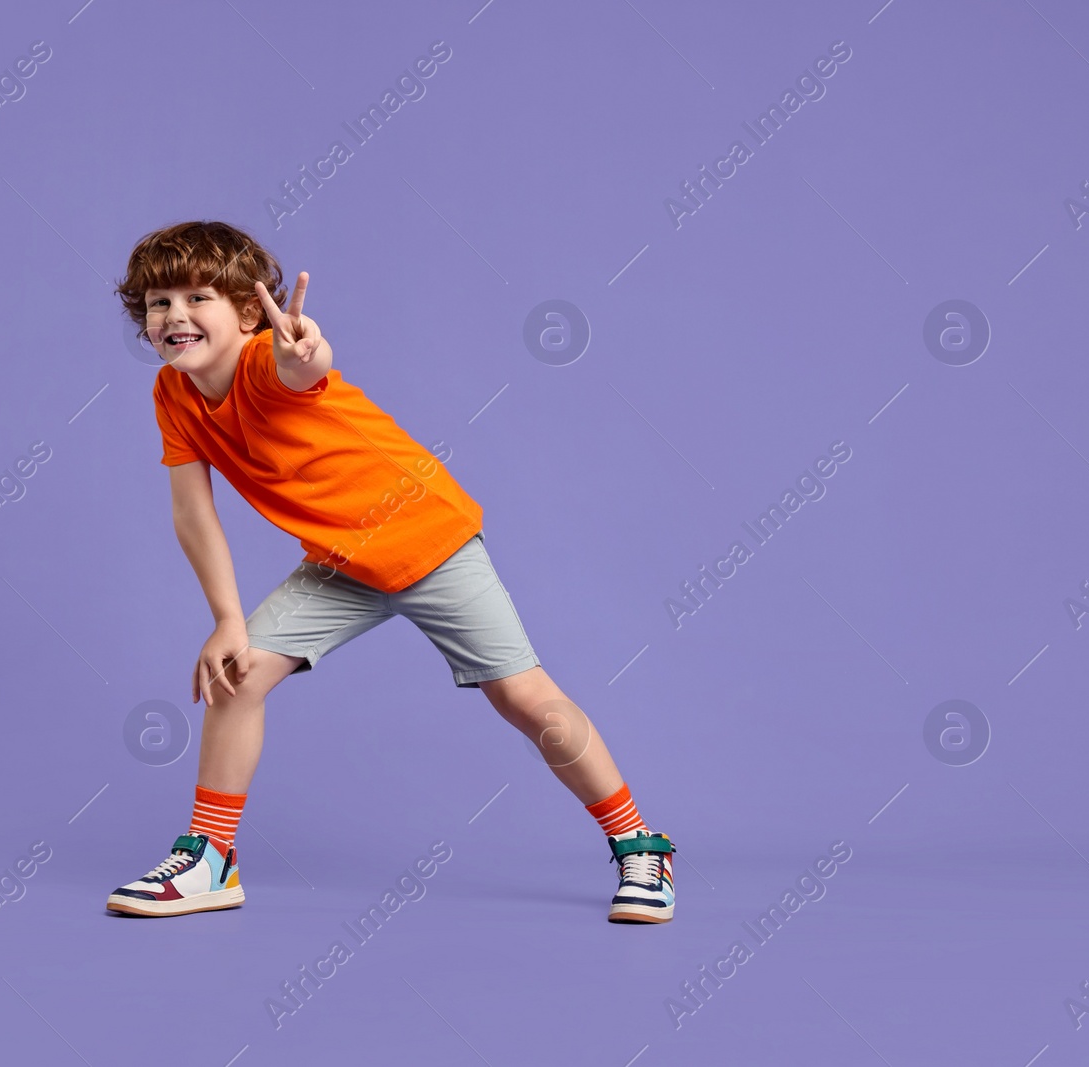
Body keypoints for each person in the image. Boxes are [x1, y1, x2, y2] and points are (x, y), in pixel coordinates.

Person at [105, 220, 674, 923]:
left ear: (249, 312)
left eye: (198, 297)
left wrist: (305, 352)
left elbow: (302, 368)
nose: (176, 315)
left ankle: (639, 846)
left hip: (427, 542)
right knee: (237, 673)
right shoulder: (173, 394)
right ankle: (211, 859)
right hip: (342, 562)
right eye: (160, 303)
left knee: (526, 700)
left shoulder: (264, 360)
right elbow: (194, 514)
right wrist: (226, 619)